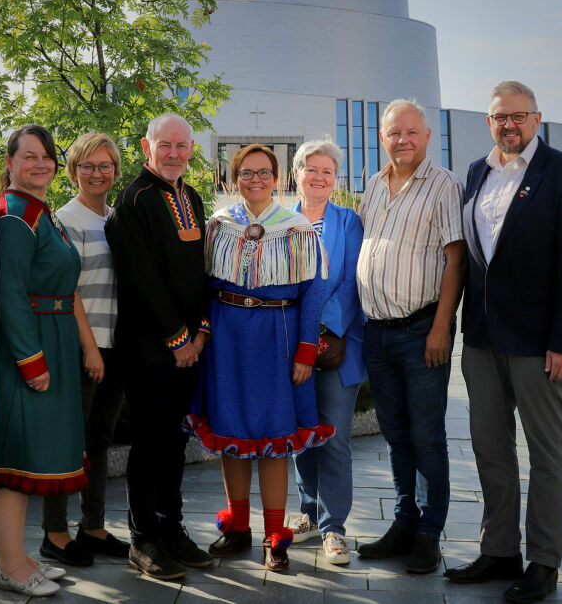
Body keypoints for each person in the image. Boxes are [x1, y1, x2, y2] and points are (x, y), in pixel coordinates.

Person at [445, 81, 562, 604]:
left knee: (546, 453)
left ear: (537, 119)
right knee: (490, 448)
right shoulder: (476, 172)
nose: (507, 125)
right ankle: (499, 551)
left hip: (538, 342)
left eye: (517, 116)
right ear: (489, 122)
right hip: (483, 338)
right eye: (498, 117)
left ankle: (544, 562)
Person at [0, 124, 96, 598]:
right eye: (29, 156)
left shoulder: (40, 212)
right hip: (25, 348)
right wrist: (31, 359)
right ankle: (9, 564)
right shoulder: (13, 214)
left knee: (29, 458)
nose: (40, 163)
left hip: (54, 339)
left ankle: (19, 556)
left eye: (46, 155)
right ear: (9, 163)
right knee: (12, 459)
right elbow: (9, 291)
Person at [184, 144, 334, 572]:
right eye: (246, 173)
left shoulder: (298, 228)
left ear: (278, 178)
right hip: (226, 340)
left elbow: (314, 294)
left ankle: (275, 536)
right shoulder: (217, 226)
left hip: (278, 340)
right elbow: (203, 286)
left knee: (273, 440)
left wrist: (306, 351)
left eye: (264, 172)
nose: (255, 179)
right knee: (231, 434)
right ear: (233, 179)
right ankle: (236, 529)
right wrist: (202, 334)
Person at [355, 99, 466, 574]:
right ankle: (404, 523)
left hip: (422, 331)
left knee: (427, 436)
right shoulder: (374, 186)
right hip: (376, 333)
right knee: (396, 435)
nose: (401, 140)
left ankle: (429, 534)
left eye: (411, 133)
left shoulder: (443, 186)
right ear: (382, 137)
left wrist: (442, 327)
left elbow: (456, 260)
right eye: (393, 133)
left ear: (427, 135)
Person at [104, 113, 213, 580]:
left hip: (189, 346)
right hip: (150, 346)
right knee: (150, 442)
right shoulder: (134, 200)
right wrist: (177, 339)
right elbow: (141, 278)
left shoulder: (192, 196)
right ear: (146, 147)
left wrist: (201, 330)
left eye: (181, 145)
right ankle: (143, 538)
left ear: (191, 149)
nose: (173, 153)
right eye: (163, 145)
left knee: (174, 441)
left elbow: (199, 273)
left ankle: (172, 528)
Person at [39, 133, 130, 566]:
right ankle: (54, 535)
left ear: (115, 169)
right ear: (73, 171)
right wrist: (90, 350)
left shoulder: (117, 217)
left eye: (105, 165)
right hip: (79, 346)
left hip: (115, 345)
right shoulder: (64, 219)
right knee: (67, 441)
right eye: (87, 166)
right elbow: (67, 289)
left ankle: (92, 528)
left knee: (99, 440)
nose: (97, 173)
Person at [286, 138, 367, 565]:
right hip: (287, 348)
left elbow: (353, 281)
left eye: (328, 172)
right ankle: (307, 511)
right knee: (302, 436)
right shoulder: (281, 220)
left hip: (335, 345)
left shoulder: (348, 221)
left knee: (333, 438)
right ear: (296, 173)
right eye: (311, 169)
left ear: (336, 180)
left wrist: (318, 325)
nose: (319, 177)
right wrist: (293, 333)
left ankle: (334, 528)